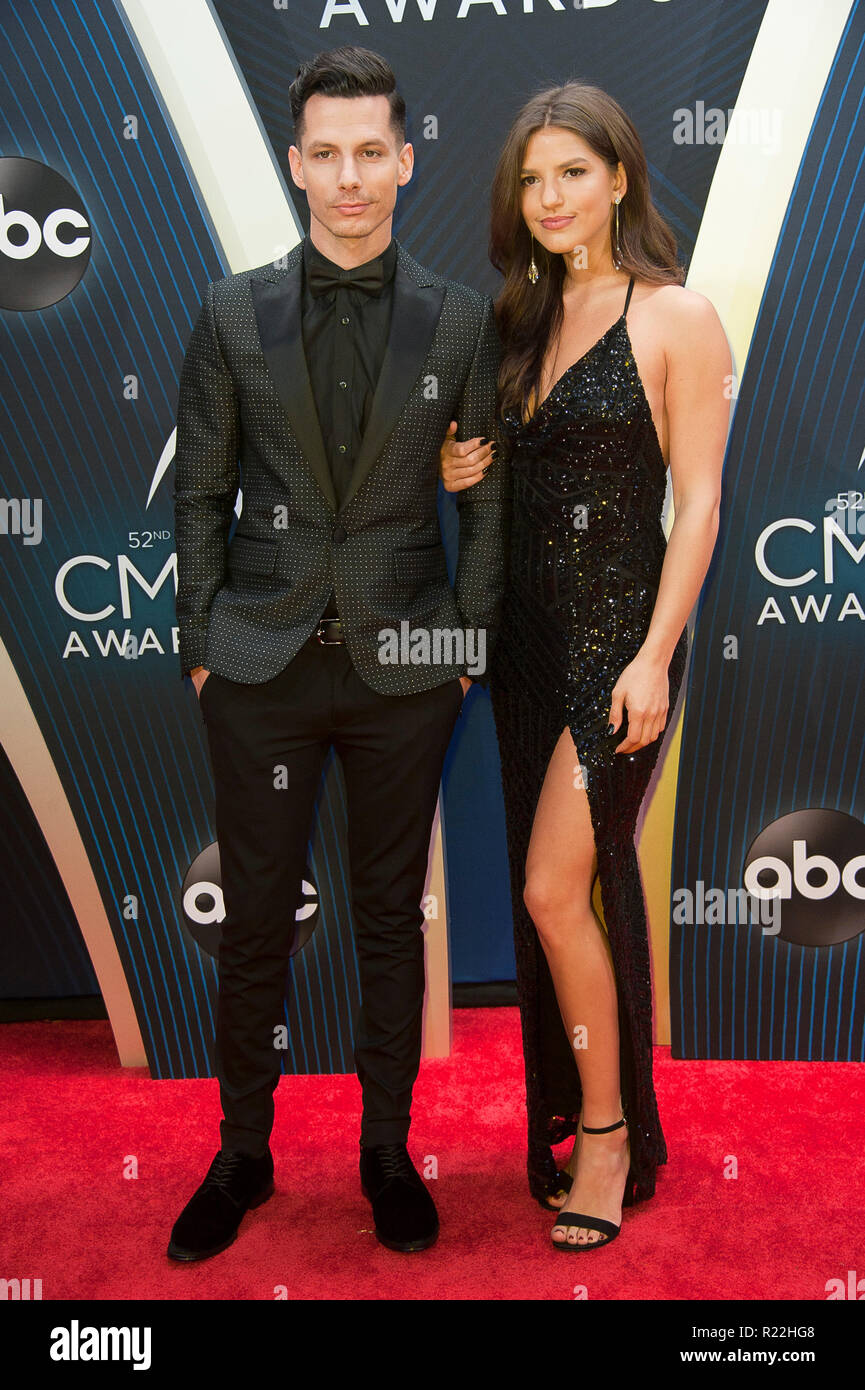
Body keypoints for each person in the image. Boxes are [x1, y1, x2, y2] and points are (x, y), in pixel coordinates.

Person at [168, 44, 509, 1260]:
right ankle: (241, 1154)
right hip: (256, 663)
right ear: (296, 163)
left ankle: (385, 1154)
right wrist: (202, 642)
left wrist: (461, 644)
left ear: (405, 161)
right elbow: (198, 493)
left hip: (406, 668)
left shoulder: (461, 318)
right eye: (327, 153)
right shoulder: (228, 309)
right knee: (253, 916)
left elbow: (492, 501)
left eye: (372, 152)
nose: (350, 176)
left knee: (384, 917)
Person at [440, 83, 729, 1250]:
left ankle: (606, 1135)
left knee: (558, 886)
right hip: (524, 645)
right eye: (531, 178)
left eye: (572, 171)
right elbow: (506, 483)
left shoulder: (674, 314)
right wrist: (468, 473)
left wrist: (655, 655)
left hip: (620, 645)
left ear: (619, 177)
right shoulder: (516, 321)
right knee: (562, 892)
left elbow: (701, 502)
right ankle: (579, 1113)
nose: (551, 196)